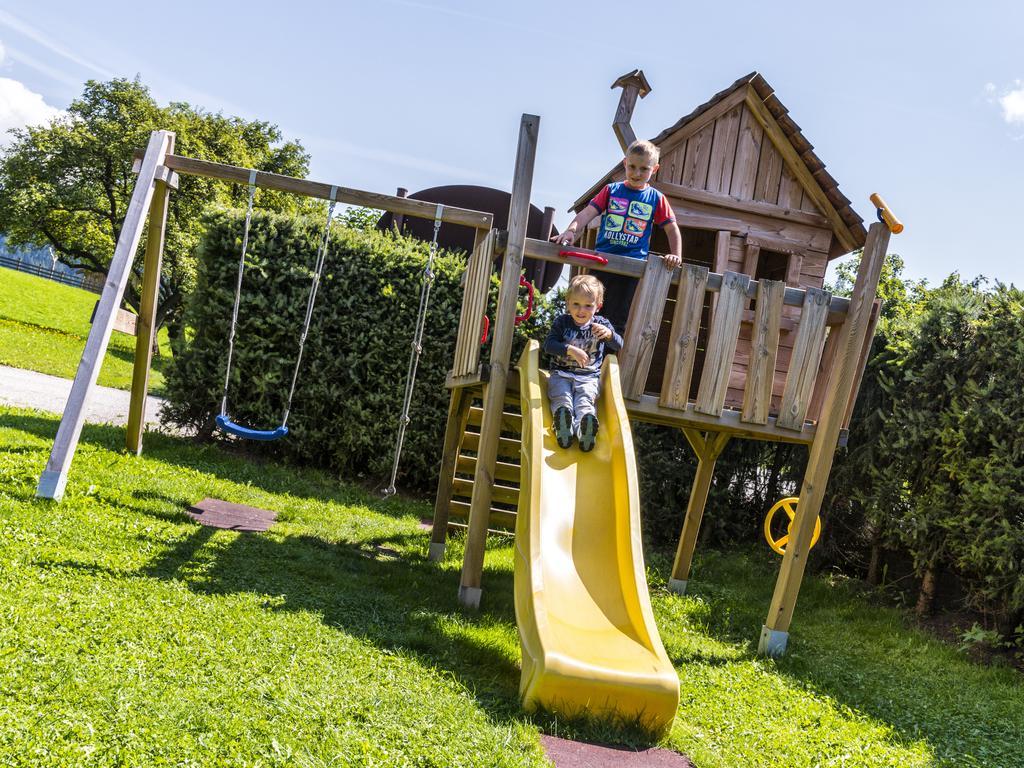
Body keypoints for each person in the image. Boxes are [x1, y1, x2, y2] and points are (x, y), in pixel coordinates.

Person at [551, 139, 682, 332]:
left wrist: (676, 255)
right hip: (602, 261)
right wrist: (571, 231)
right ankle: (579, 354)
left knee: (617, 317)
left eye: (644, 169)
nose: (637, 173)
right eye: (632, 166)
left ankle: (606, 359)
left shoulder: (655, 198)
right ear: (625, 163)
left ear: (654, 169)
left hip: (630, 266)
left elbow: (672, 228)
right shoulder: (611, 191)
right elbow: (587, 213)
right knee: (589, 308)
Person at [543, 274, 624, 452]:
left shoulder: (601, 324)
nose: (581, 310)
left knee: (585, 402)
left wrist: (609, 334)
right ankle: (563, 426)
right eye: (576, 304)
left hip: (588, 378)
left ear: (598, 306)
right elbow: (548, 345)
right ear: (568, 303)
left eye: (588, 305)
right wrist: (569, 349)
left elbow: (618, 344)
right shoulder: (562, 322)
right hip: (561, 374)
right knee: (562, 398)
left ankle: (583, 429)